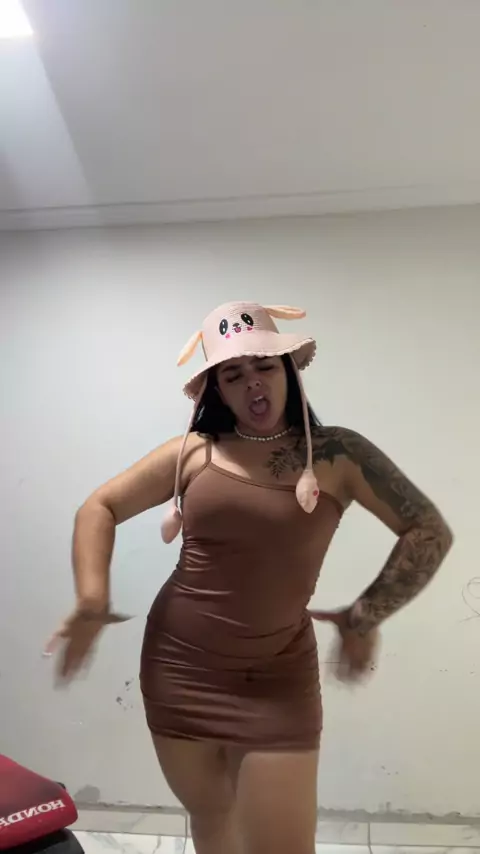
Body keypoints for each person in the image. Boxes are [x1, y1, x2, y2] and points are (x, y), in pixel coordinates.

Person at [46, 301, 453, 854]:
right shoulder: (195, 452)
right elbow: (100, 507)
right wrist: (92, 600)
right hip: (178, 669)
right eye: (233, 374)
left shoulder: (337, 454)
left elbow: (427, 530)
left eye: (263, 365)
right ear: (218, 389)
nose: (252, 382)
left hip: (277, 677)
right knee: (214, 821)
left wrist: (365, 615)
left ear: (287, 370)